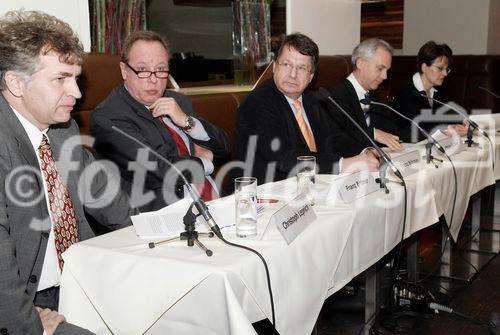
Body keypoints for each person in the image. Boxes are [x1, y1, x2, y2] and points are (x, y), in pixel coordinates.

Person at [0, 10, 135, 334]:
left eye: (76, 78)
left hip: (78, 278)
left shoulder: (63, 130)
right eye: (61, 79)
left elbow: (111, 203)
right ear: (16, 83)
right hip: (25, 301)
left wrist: (167, 231)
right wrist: (31, 325)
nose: (76, 92)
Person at [91, 31, 230, 212]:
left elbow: (224, 147)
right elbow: (161, 170)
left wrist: (186, 121)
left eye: (161, 69)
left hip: (218, 202)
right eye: (142, 70)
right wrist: (206, 162)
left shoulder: (177, 101)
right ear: (124, 70)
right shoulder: (108, 117)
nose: (154, 79)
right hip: (167, 215)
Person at [235, 33, 379, 184]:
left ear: (311, 76)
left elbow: (333, 139)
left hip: (308, 187)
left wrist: (363, 152)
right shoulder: (258, 103)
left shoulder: (312, 100)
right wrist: (342, 164)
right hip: (264, 194)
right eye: (286, 64)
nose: (292, 74)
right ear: (275, 67)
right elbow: (284, 157)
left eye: (302, 68)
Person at [323, 38, 404, 157]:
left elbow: (393, 129)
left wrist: (429, 135)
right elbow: (337, 139)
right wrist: (373, 133)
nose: (385, 76)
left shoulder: (374, 96)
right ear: (360, 63)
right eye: (380, 68)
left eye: (387, 70)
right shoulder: (334, 96)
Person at [390, 41, 467, 142]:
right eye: (440, 68)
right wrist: (445, 129)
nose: (445, 73)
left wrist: (462, 122)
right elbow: (416, 127)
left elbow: (449, 115)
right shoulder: (406, 92)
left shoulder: (437, 92)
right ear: (424, 67)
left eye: (446, 69)